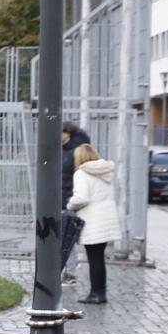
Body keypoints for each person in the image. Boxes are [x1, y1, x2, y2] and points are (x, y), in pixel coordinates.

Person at [67, 142, 119, 305]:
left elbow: (81, 198)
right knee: (99, 258)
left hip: (92, 220)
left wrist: (70, 204)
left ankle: (96, 294)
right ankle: (100, 292)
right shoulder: (105, 172)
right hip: (106, 218)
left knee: (94, 259)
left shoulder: (82, 173)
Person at [58, 120, 91, 282]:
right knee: (65, 237)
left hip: (71, 200)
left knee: (67, 237)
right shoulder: (64, 150)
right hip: (62, 198)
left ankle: (70, 272)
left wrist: (70, 200)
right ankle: (67, 270)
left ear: (67, 133)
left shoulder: (77, 152)